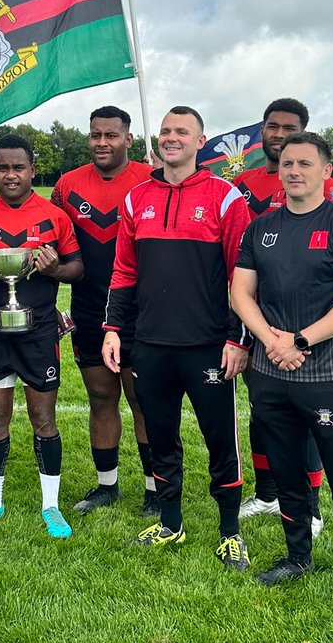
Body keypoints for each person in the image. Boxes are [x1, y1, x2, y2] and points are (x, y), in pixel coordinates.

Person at [230, 132, 333, 614]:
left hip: (328, 376)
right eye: (287, 163)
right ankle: (298, 557)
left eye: (305, 163)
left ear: (325, 171)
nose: (293, 170)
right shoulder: (261, 228)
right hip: (272, 376)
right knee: (287, 473)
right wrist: (272, 341)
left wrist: (299, 340)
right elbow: (241, 294)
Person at [102, 106, 252, 571]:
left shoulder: (226, 198)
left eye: (181, 132)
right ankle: (170, 521)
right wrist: (113, 329)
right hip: (150, 344)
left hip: (208, 344)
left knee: (219, 440)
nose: (172, 138)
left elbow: (243, 278)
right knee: (160, 436)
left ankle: (231, 532)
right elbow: (124, 271)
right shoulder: (136, 198)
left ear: (200, 141)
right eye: (165, 130)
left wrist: (238, 338)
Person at [0, 135, 83, 538]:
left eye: (18, 168)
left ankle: (52, 506)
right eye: (2, 168)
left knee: (43, 418)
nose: (10, 175)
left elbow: (77, 268)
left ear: (32, 170)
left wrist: (53, 270)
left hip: (40, 331)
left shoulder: (54, 216)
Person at [233, 98, 333, 534]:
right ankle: (266, 493)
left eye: (289, 128)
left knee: (309, 416)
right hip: (255, 315)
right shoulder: (240, 182)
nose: (278, 135)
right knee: (264, 411)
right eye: (272, 127)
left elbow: (329, 247)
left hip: (305, 321)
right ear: (261, 131)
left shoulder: (319, 186)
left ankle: (311, 506)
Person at [50, 106, 155, 515]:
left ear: (128, 139)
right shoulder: (67, 185)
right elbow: (52, 237)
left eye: (111, 136)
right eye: (96, 135)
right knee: (100, 397)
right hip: (89, 308)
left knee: (142, 399)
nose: (102, 143)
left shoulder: (151, 180)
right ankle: (107, 486)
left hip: (140, 311)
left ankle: (154, 490)